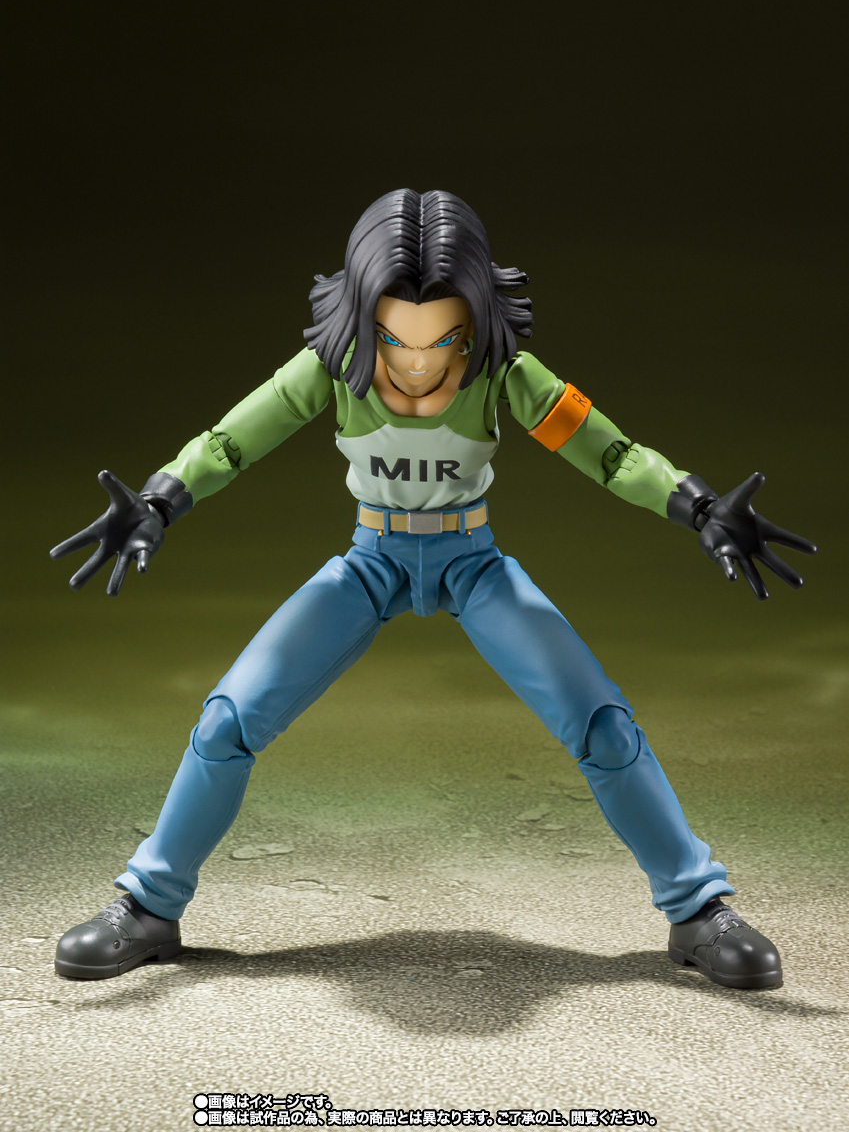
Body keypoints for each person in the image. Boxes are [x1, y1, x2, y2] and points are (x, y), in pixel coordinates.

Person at [50, 188, 815, 987]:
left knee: (604, 727)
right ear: (363, 318)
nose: (417, 364)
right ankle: (148, 905)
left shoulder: (500, 374)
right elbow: (231, 442)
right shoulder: (334, 370)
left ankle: (697, 910)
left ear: (473, 323)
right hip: (371, 560)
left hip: (470, 562)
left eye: (442, 340)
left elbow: (611, 454)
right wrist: (160, 500)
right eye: (394, 339)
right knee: (226, 720)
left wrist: (695, 506)